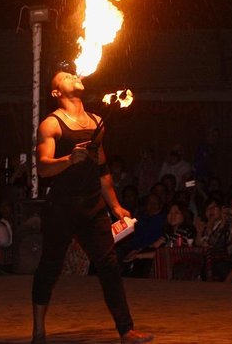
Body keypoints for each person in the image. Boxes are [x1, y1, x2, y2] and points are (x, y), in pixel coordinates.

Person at [31, 65, 152, 344]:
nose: (74, 75)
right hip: (61, 206)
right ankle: (38, 329)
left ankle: (126, 330)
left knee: (108, 264)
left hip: (92, 205)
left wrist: (116, 206)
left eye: (74, 74)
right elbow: (42, 168)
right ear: (56, 91)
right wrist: (67, 160)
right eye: (65, 76)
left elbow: (103, 170)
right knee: (50, 266)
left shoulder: (97, 121)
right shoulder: (51, 124)